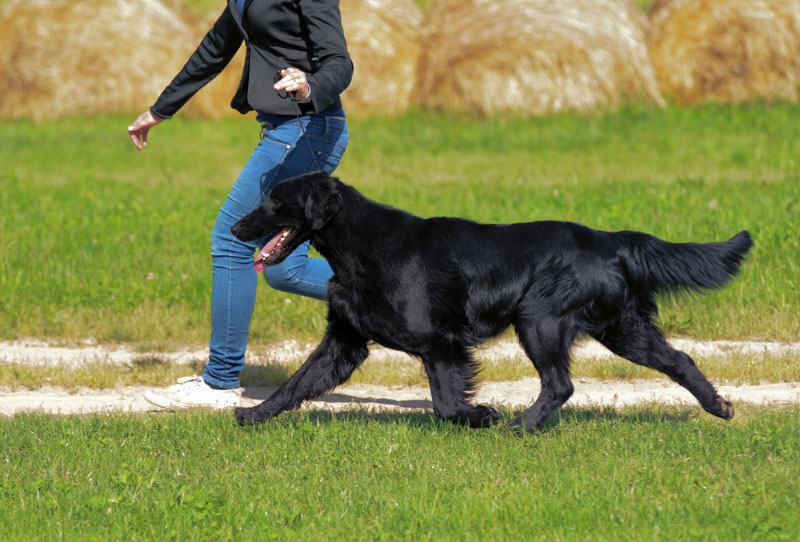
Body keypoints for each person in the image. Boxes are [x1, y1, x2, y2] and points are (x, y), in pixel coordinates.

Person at [129, 0, 353, 410]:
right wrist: (161, 109)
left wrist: (310, 86)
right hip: (287, 130)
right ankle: (406, 298)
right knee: (287, 270)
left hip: (305, 129)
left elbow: (340, 61)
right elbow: (215, 48)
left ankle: (219, 382)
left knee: (232, 241)